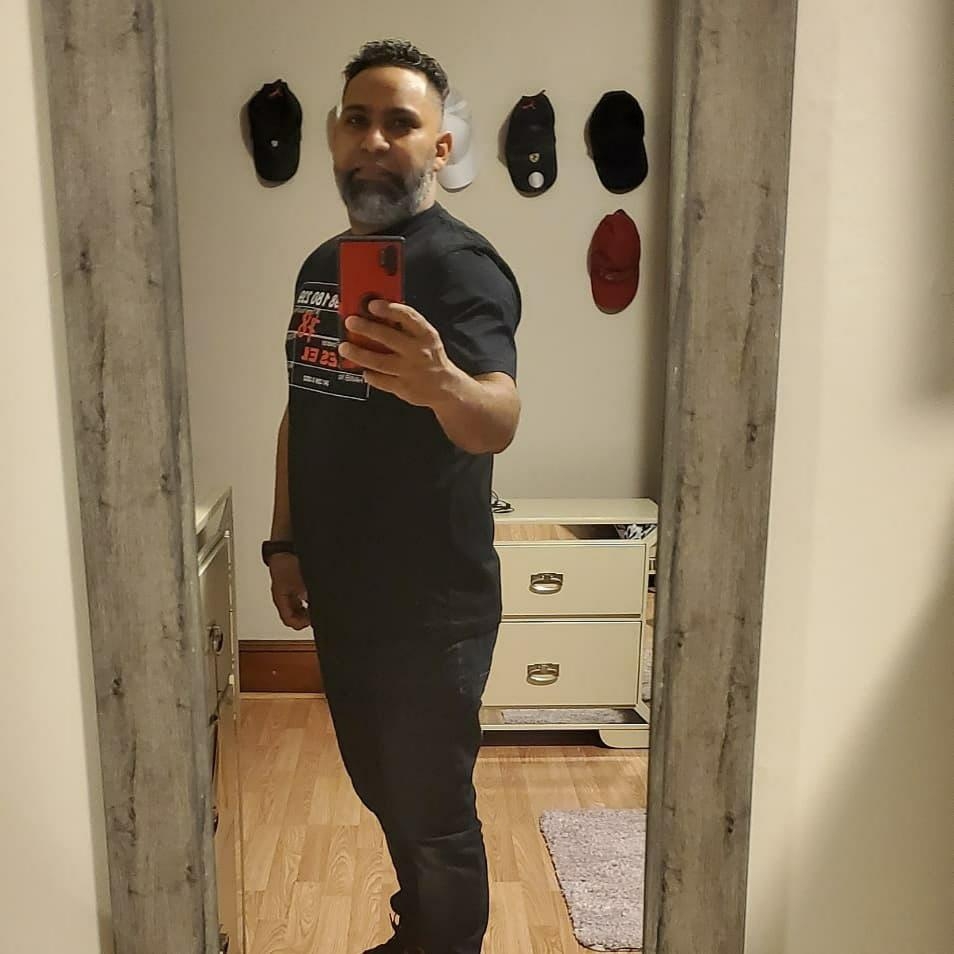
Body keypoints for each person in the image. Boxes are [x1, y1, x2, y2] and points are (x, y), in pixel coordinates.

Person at [261, 39, 521, 954]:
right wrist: (284, 543)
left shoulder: (461, 267)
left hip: (429, 603)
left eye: (400, 123)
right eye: (358, 120)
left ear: (440, 147)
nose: (375, 139)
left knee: (433, 814)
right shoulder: (322, 265)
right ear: (335, 137)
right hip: (343, 589)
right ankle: (421, 935)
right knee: (382, 787)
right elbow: (303, 407)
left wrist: (442, 383)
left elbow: (497, 419)